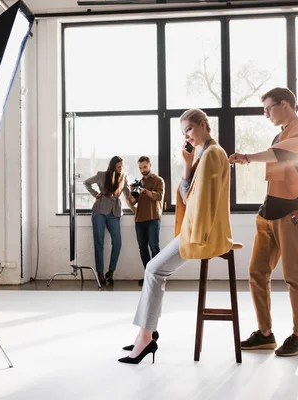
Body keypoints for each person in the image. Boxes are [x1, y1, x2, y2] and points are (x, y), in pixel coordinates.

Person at [118, 109, 234, 364]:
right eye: (184, 133)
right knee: (154, 269)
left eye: (190, 130)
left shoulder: (213, 154)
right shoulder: (205, 154)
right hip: (195, 229)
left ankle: (146, 336)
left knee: (154, 268)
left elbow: (199, 200)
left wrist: (196, 236)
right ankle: (145, 333)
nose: (187, 136)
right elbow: (188, 195)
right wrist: (187, 164)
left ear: (204, 125)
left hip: (201, 232)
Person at [229, 87, 298, 357]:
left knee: (294, 275)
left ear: (284, 103)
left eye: (268, 108)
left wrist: (249, 157)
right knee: (256, 273)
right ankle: (265, 333)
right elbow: (276, 161)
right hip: (268, 213)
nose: (265, 114)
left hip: (292, 213)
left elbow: (281, 155)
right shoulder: (279, 134)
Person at [83, 156, 131, 285]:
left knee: (118, 242)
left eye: (121, 167)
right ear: (112, 167)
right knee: (99, 242)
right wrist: (95, 194)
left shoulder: (123, 177)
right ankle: (99, 273)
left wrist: (136, 206)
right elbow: (86, 182)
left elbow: (128, 195)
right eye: (118, 167)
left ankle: (111, 272)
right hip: (99, 211)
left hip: (114, 212)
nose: (120, 169)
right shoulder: (101, 175)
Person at [127, 156, 165, 286]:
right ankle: (149, 276)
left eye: (144, 167)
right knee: (142, 249)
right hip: (139, 220)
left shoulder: (158, 180)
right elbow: (132, 202)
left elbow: (159, 196)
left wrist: (146, 191)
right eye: (140, 168)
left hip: (153, 218)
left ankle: (157, 277)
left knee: (154, 248)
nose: (142, 170)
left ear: (150, 165)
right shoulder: (139, 182)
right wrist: (133, 192)